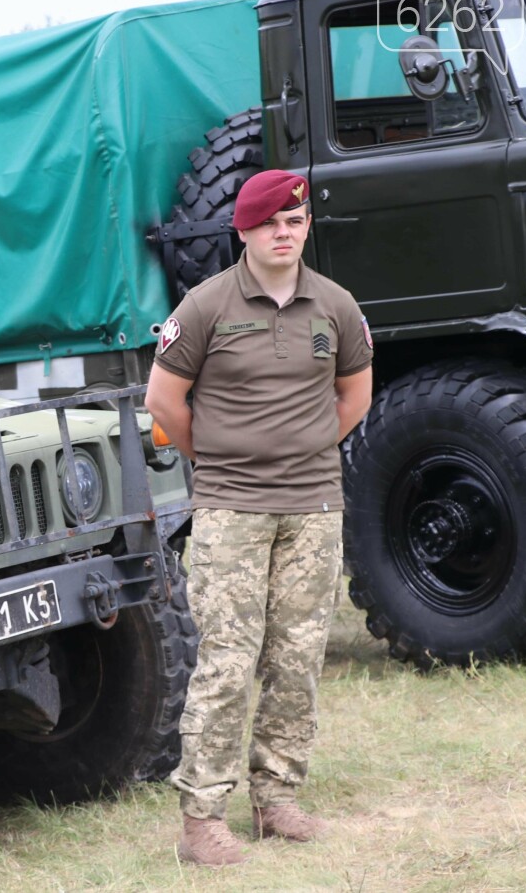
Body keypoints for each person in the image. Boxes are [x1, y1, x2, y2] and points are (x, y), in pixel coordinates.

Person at [145, 168, 373, 868]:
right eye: (271, 221)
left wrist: (301, 453)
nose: (284, 231)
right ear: (243, 229)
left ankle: (276, 799)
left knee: (297, 658)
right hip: (231, 511)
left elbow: (355, 394)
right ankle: (202, 818)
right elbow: (164, 402)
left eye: (295, 220)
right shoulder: (206, 307)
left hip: (312, 509)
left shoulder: (334, 307)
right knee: (227, 661)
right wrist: (221, 461)